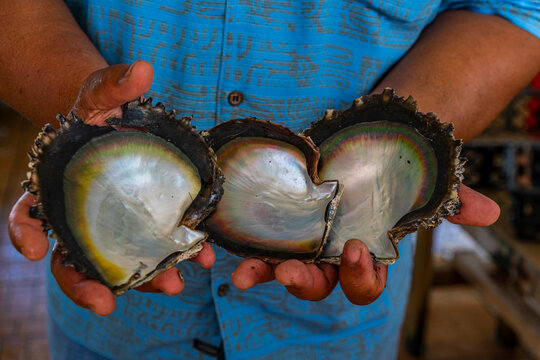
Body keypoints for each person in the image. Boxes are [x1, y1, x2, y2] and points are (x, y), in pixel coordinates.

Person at [3, 1, 539, 359]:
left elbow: (516, 8)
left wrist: (387, 162)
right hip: (117, 327)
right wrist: (85, 138)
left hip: (336, 331)